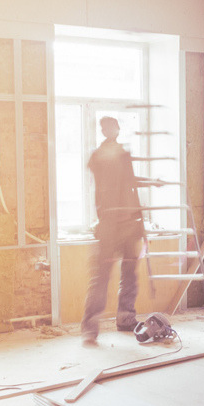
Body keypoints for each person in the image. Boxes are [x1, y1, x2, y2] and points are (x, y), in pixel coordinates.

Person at [81, 116, 143, 345]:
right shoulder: (100, 156)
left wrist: (149, 182)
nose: (110, 130)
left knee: (129, 274)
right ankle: (90, 327)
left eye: (113, 126)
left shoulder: (122, 154)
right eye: (106, 127)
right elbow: (105, 173)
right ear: (102, 130)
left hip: (129, 223)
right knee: (101, 276)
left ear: (118, 128)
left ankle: (126, 318)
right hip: (109, 225)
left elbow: (131, 182)